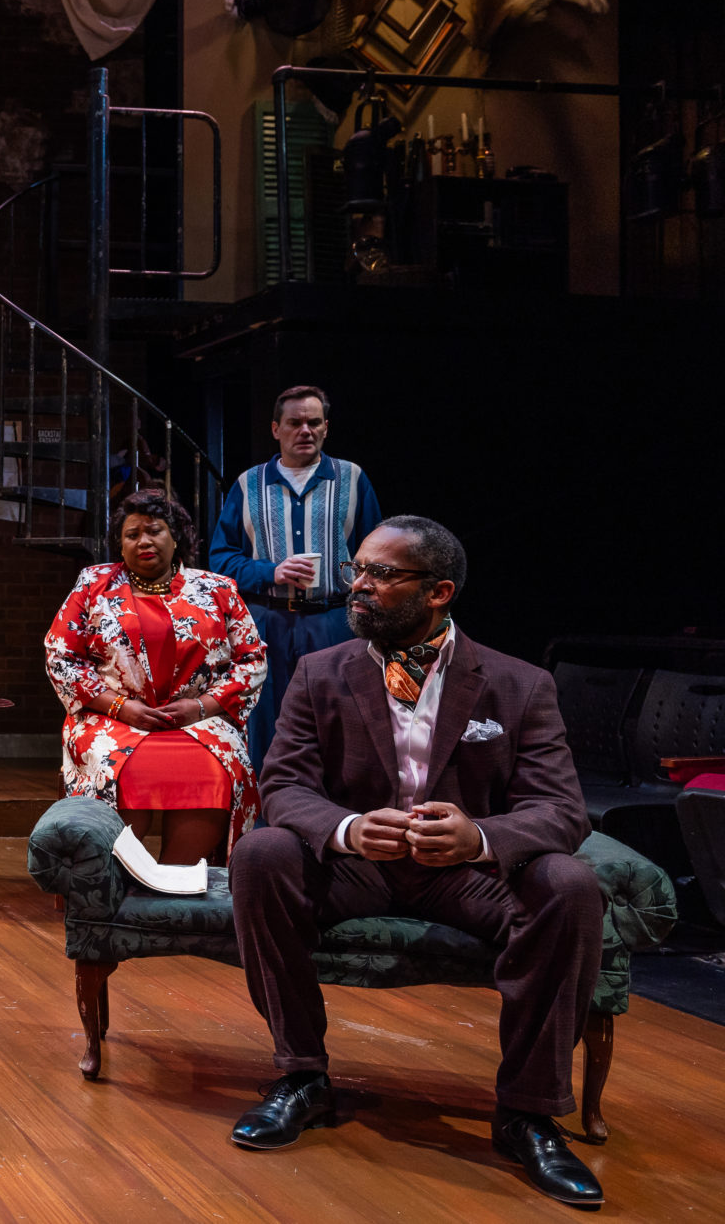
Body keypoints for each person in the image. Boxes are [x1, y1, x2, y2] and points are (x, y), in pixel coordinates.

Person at [226, 517, 606, 1210]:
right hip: (360, 868)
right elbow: (282, 784)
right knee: (262, 852)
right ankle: (302, 1076)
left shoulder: (519, 684)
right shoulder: (320, 672)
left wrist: (478, 836)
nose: (358, 586)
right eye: (356, 570)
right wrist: (345, 829)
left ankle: (527, 1113)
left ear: (439, 591)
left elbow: (560, 808)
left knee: (569, 884)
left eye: (381, 574)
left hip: (468, 875)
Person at [45, 490, 269, 862]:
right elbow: (61, 655)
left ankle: (174, 880)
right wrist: (120, 707)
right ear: (120, 545)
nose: (144, 541)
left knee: (215, 769)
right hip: (111, 718)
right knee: (118, 769)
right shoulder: (92, 584)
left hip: (199, 721)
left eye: (154, 531)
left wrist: (201, 707)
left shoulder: (218, 589)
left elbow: (252, 660)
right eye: (132, 535)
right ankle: (117, 878)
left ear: (175, 536)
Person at [209, 385, 382, 772]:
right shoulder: (249, 484)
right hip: (268, 622)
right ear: (276, 429)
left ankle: (332, 805)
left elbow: (377, 554)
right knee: (266, 725)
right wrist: (271, 571)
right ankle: (268, 807)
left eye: (314, 422)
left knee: (337, 718)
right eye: (294, 423)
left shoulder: (352, 478)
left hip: (333, 620)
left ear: (326, 428)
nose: (305, 430)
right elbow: (221, 559)